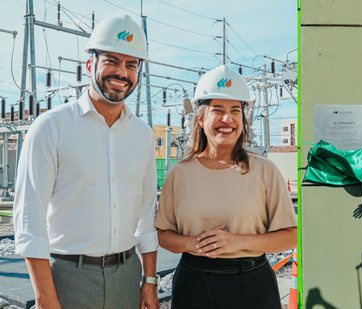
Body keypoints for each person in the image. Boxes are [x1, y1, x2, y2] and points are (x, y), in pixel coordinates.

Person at [13, 15, 159, 309]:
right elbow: (30, 222)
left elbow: (146, 215)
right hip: (69, 277)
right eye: (112, 61)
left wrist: (150, 281)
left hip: (127, 275)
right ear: (90, 64)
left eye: (131, 65)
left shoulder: (142, 134)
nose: (122, 72)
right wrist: (46, 299)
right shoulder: (51, 127)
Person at [155, 65, 297, 309]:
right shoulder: (179, 174)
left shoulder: (265, 171)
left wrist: (237, 242)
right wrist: (193, 244)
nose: (227, 119)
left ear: (243, 119)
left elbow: (289, 237)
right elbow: (164, 235)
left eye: (235, 111)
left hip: (252, 285)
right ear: (200, 119)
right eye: (217, 111)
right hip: (194, 284)